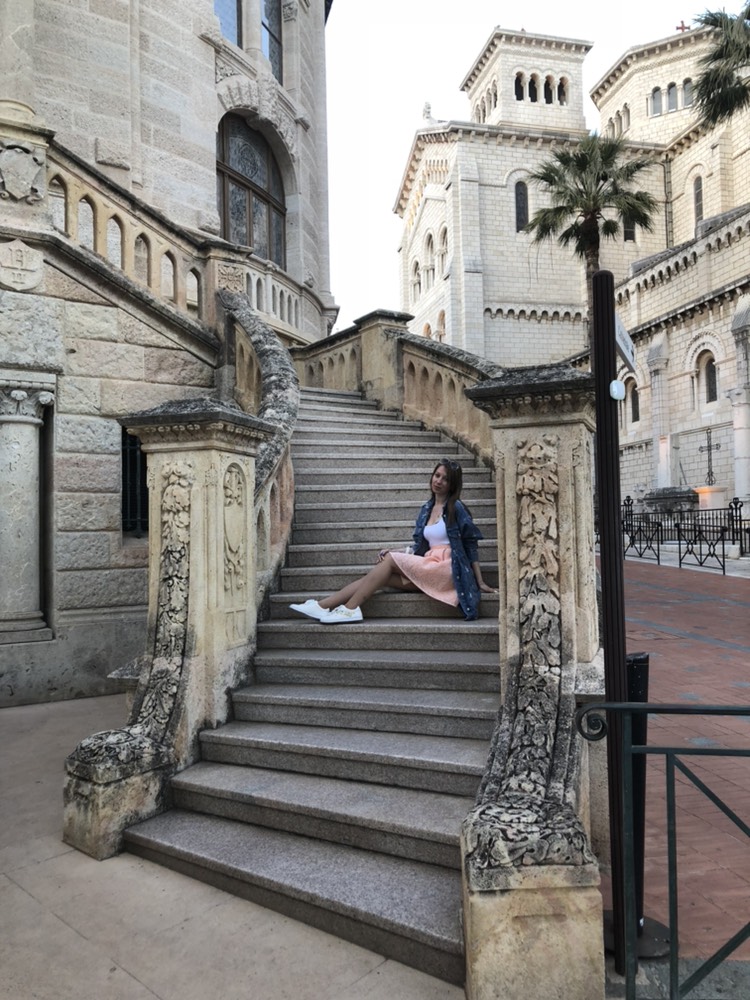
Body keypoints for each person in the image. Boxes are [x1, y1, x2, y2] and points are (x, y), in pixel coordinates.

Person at [290, 459, 495, 624]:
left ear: (452, 484)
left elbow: (470, 546)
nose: (439, 481)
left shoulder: (456, 508)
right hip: (429, 564)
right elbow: (420, 547)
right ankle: (323, 606)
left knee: (388, 561)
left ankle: (350, 609)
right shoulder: (426, 509)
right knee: (382, 577)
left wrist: (479, 581)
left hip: (447, 568)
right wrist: (398, 550)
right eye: (437, 475)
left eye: (445, 479)